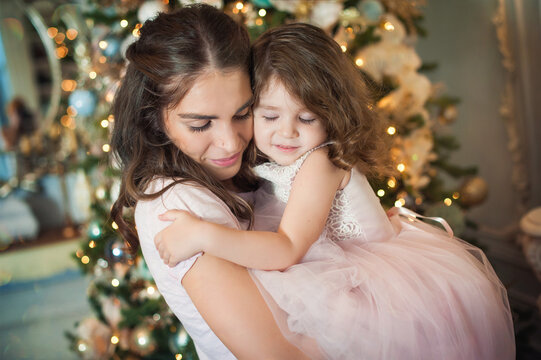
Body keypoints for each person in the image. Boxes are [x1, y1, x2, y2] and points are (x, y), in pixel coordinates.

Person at [155, 23, 516, 359]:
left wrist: (203, 234)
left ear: (332, 115)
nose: (287, 133)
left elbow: (286, 248)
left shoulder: (320, 161)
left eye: (307, 118)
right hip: (334, 259)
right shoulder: (268, 157)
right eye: (269, 117)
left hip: (376, 281)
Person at [109, 5, 312, 359]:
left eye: (242, 113)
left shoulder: (258, 161)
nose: (231, 142)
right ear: (154, 118)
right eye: (201, 124)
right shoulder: (178, 206)